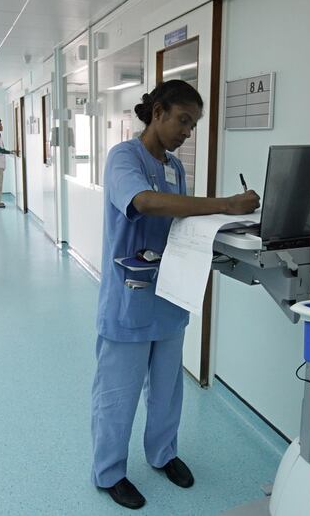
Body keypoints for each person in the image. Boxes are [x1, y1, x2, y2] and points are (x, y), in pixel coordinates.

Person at [91, 80, 260, 510]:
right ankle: (109, 471)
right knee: (119, 391)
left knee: (167, 388)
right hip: (130, 295)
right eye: (184, 120)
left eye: (194, 124)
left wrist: (222, 231)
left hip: (168, 292)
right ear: (159, 112)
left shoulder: (175, 166)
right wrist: (225, 203)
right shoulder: (122, 157)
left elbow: (178, 218)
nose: (188, 131)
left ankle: (163, 454)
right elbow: (146, 203)